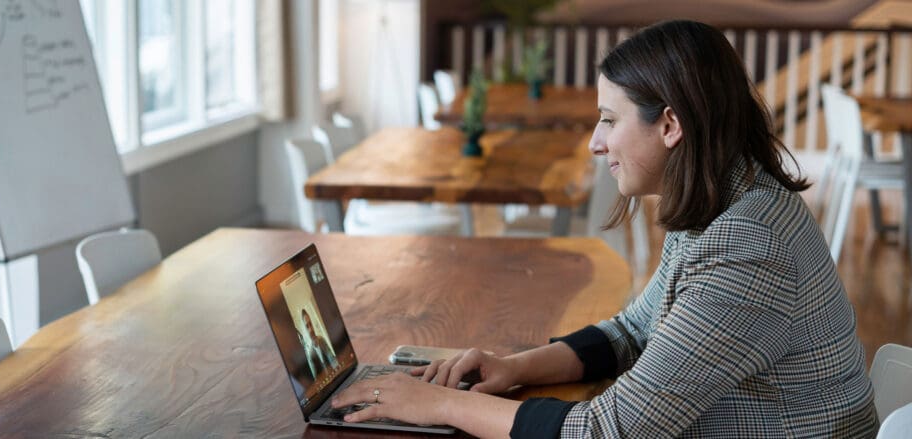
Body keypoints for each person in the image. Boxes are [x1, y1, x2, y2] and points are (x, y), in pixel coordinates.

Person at [331, 20, 879, 438]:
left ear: (669, 125)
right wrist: (511, 368)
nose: (596, 142)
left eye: (610, 120)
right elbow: (632, 332)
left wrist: (439, 406)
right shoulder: (724, 197)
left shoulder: (749, 243)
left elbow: (608, 430)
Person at [300, 308, 337, 379]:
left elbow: (332, 358)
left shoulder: (321, 340)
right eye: (307, 326)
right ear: (305, 330)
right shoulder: (310, 355)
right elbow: (316, 378)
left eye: (310, 324)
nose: (310, 329)